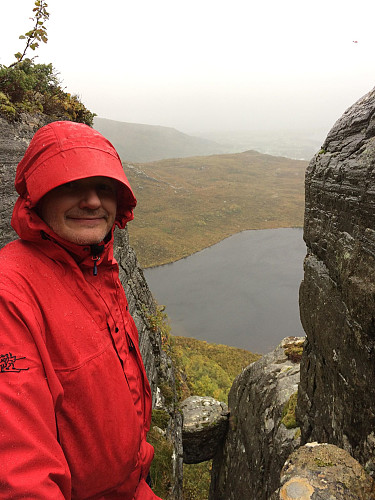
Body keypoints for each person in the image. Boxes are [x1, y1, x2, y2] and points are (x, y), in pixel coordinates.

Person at [0, 121, 162, 499]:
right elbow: (21, 474)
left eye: (104, 187)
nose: (92, 201)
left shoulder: (98, 267)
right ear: (38, 196)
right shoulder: (11, 294)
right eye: (70, 184)